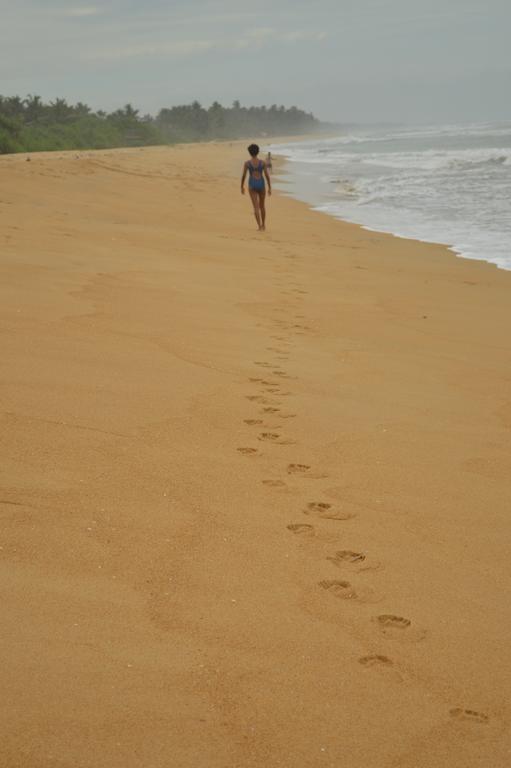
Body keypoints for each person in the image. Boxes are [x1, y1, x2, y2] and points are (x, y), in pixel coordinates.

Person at [241, 144, 271, 231]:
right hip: (261, 184)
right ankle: (264, 225)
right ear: (258, 152)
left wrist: (241, 186)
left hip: (252, 185)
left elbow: (244, 175)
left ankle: (259, 226)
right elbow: (267, 176)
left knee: (256, 207)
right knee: (262, 206)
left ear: (249, 153)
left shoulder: (247, 163)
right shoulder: (262, 163)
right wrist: (269, 187)